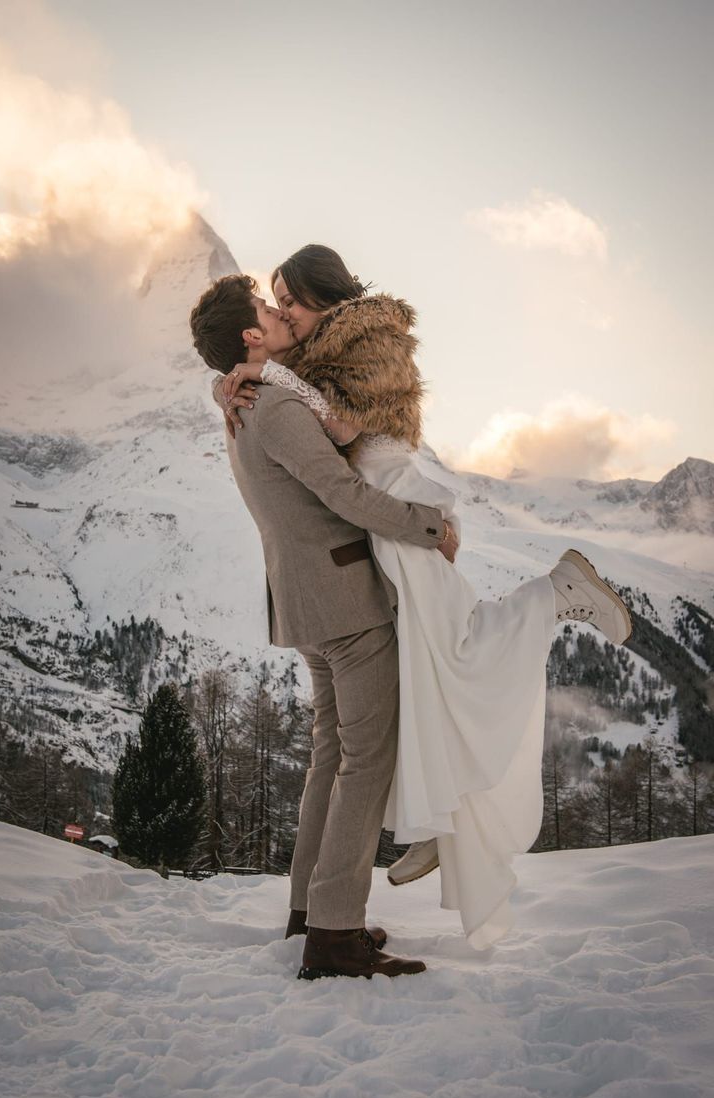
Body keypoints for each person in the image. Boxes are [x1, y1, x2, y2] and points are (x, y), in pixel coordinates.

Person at [216, 245, 633, 950]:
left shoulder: (362, 342)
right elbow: (296, 414)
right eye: (273, 299)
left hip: (394, 509)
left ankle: (554, 595)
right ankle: (428, 825)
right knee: (422, 675)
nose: (281, 307)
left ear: (325, 298)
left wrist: (254, 373)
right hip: (375, 528)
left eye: (288, 297)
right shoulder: (302, 363)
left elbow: (343, 427)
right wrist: (241, 376)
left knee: (454, 647)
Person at [190, 275, 458, 980]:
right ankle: (333, 934)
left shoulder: (246, 403)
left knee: (332, 759)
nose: (279, 314)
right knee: (364, 761)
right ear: (251, 336)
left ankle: (310, 914)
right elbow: (341, 494)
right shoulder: (272, 406)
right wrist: (428, 525)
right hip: (342, 602)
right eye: (266, 310)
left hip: (306, 602)